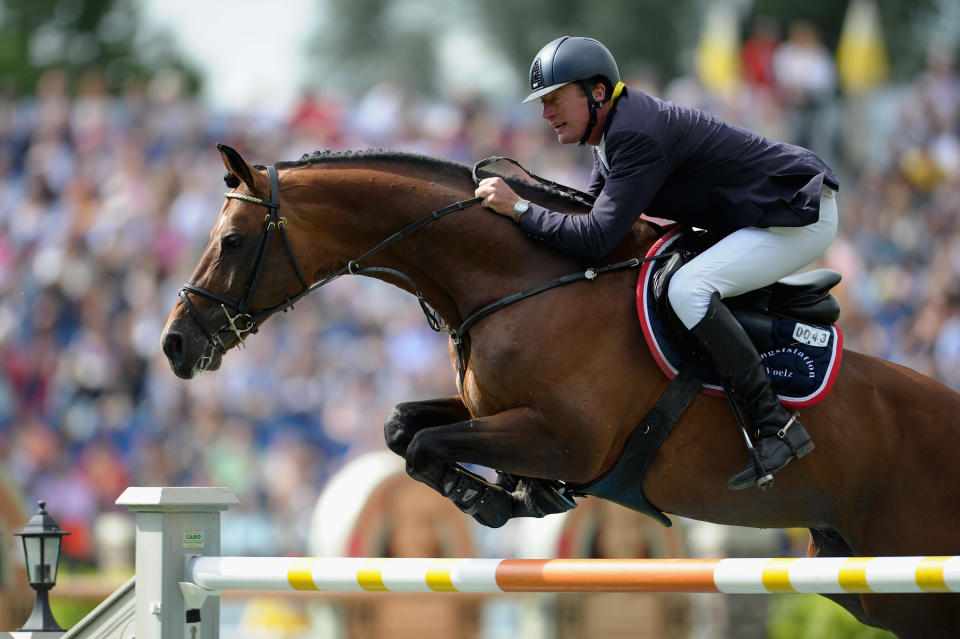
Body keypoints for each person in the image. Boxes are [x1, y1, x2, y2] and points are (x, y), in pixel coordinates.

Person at [474, 36, 839, 491]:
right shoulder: (610, 134)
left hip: (795, 214)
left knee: (687, 289)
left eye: (553, 99)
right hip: (761, 214)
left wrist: (520, 209)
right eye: (542, 103)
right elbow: (591, 215)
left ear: (598, 92)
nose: (545, 113)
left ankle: (775, 426)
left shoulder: (634, 133)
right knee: (670, 280)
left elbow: (594, 239)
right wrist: (527, 197)